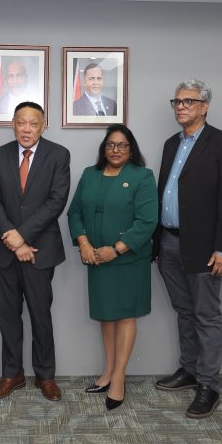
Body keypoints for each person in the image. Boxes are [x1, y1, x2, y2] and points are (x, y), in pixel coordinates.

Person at [151, 79, 222, 419]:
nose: (181, 107)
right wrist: (157, 243)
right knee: (185, 311)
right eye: (177, 101)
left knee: (206, 315)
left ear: (205, 106)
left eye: (188, 101)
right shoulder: (171, 144)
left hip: (205, 247)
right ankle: (189, 369)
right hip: (169, 243)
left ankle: (209, 385)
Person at [67, 125, 158, 411]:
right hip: (96, 258)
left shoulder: (142, 176)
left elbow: (147, 221)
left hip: (128, 260)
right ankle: (107, 371)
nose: (116, 150)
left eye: (122, 145)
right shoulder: (89, 174)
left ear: (131, 150)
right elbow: (74, 213)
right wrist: (83, 244)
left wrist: (116, 249)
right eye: (111, 145)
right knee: (106, 316)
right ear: (103, 148)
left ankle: (119, 378)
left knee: (125, 315)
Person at [0, 101, 71, 401]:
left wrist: (21, 237)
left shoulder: (58, 155)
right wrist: (13, 240)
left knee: (40, 316)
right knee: (8, 317)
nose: (27, 129)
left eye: (33, 123)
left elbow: (56, 201)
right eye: (21, 122)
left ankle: (45, 376)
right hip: (5, 251)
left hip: (40, 250)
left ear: (43, 126)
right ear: (13, 124)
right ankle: (12, 374)